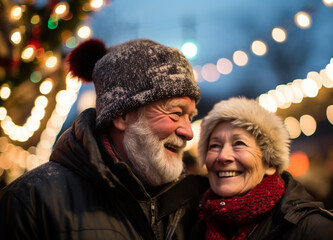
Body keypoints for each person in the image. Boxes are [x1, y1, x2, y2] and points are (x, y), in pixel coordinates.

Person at [0, 38, 209, 240]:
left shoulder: (198, 203)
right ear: (122, 115)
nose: (188, 132)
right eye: (175, 113)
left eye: (190, 117)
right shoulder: (32, 201)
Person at [195, 97, 333, 240]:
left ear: (269, 164)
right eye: (214, 145)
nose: (223, 156)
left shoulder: (315, 229)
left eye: (239, 143)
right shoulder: (192, 223)